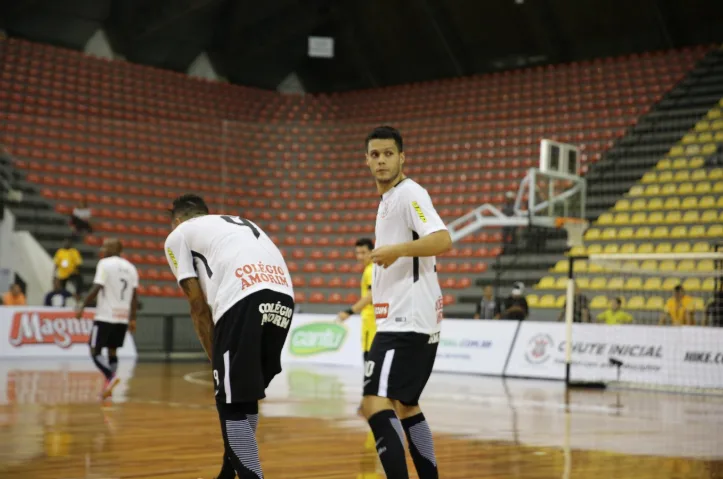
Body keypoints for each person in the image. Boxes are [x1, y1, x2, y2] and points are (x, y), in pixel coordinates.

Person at [163, 194, 294, 479]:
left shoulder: (178, 235)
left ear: (177, 220)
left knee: (230, 399)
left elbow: (197, 305)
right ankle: (227, 473)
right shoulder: (238, 223)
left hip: (243, 297)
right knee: (242, 396)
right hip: (283, 299)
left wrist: (215, 359)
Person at [361, 126, 452, 479]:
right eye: (375, 154)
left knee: (374, 401)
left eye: (388, 153)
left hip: (406, 319)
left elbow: (443, 240)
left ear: (402, 157)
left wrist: (397, 250)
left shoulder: (409, 193)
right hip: (416, 319)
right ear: (367, 160)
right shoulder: (388, 201)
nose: (381, 160)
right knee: (406, 405)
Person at [76, 238, 139, 400]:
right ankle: (108, 385)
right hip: (122, 317)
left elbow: (97, 287)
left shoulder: (104, 264)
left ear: (114, 248)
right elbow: (134, 297)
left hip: (105, 316)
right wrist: (132, 319)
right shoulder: (131, 268)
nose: (102, 248)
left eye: (106, 246)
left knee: (94, 350)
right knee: (112, 350)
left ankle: (110, 377)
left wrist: (82, 304)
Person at [336, 237, 376, 415]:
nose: (359, 256)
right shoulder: (371, 269)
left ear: (371, 252)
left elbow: (371, 296)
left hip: (373, 325)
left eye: (363, 253)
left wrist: (349, 311)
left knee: (370, 363)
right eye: (357, 253)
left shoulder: (372, 270)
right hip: (371, 323)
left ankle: (368, 401)